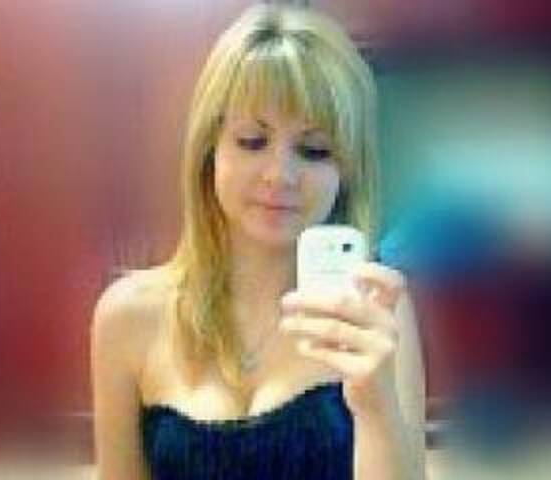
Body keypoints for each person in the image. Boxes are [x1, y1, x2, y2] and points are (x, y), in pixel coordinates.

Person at [91, 4, 425, 479]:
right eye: (252, 140)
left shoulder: (373, 311)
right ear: (210, 150)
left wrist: (376, 406)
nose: (279, 175)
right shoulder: (127, 317)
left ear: (346, 170)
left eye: (313, 150)